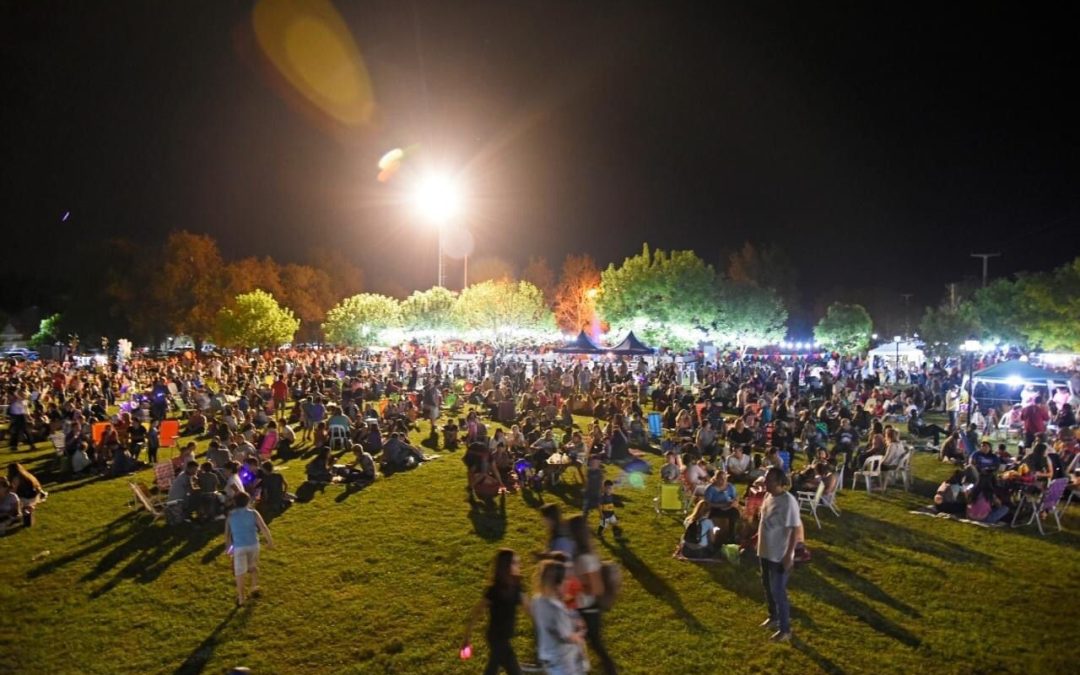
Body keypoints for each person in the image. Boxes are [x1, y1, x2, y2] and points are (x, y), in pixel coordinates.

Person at [566, 514, 616, 675]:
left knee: (594, 644)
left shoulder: (587, 558)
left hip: (588, 610)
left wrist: (575, 587)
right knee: (586, 645)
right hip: (578, 608)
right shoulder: (578, 554)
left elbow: (597, 589)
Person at [463, 548, 525, 675]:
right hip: (496, 638)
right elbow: (476, 613)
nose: (519, 564)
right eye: (515, 562)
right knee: (508, 669)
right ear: (505, 566)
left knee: (495, 667)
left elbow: (530, 609)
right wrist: (467, 638)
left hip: (504, 638)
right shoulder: (494, 591)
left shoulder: (516, 587)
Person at [757, 467, 801, 642]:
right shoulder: (768, 496)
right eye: (766, 478)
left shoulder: (788, 502)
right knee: (767, 585)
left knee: (778, 591)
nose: (765, 482)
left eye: (769, 480)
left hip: (779, 553)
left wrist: (789, 555)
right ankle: (773, 617)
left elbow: (793, 530)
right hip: (765, 550)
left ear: (779, 482)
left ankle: (785, 630)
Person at [530, 559, 587, 675]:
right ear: (557, 584)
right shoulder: (557, 608)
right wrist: (580, 633)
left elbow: (550, 625)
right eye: (565, 580)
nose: (567, 583)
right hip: (564, 663)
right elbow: (565, 636)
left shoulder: (537, 600)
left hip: (549, 658)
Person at [224, 491, 274, 607]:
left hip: (239, 547)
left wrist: (228, 548)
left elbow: (227, 534)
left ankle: (241, 598)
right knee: (252, 566)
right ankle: (254, 587)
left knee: (240, 573)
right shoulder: (254, 513)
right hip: (253, 545)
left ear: (234, 502)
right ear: (248, 502)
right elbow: (263, 528)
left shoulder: (230, 516)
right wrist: (270, 541)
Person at [703, 470, 739, 543]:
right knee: (711, 516)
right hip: (715, 508)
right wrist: (721, 505)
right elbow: (707, 503)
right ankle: (711, 536)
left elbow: (736, 496)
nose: (723, 480)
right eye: (721, 478)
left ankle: (731, 536)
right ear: (716, 479)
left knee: (735, 513)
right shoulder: (710, 489)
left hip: (728, 507)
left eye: (725, 478)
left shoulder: (730, 486)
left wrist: (735, 502)